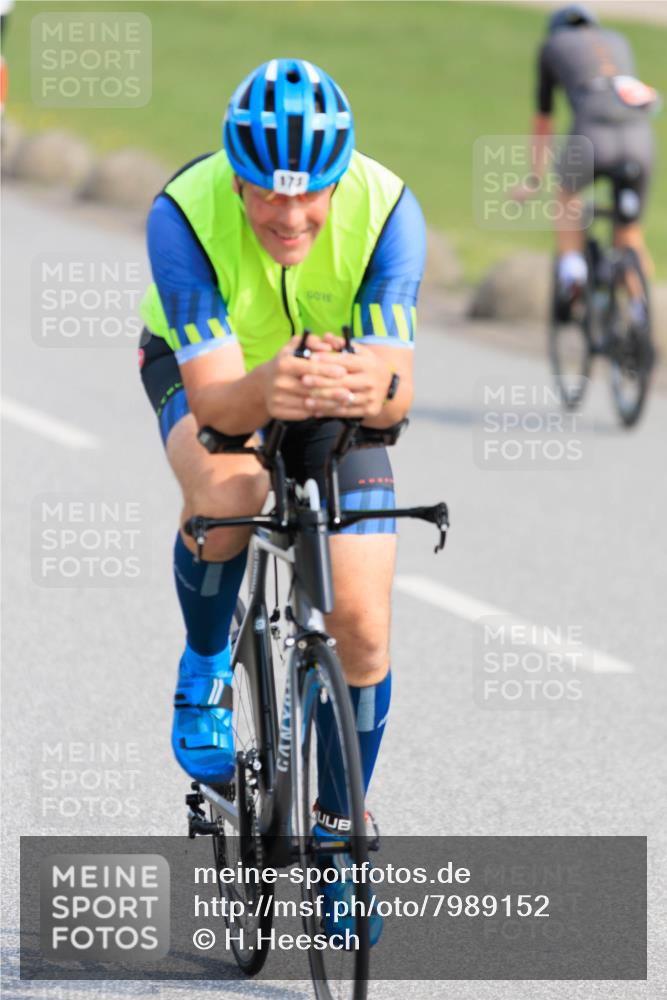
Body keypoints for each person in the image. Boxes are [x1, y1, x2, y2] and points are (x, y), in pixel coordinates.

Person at [139, 58, 425, 941]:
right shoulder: (184, 213)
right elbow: (222, 404)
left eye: (311, 196)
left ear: (340, 179)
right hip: (218, 377)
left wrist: (357, 387)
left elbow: (396, 393)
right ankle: (202, 670)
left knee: (363, 623)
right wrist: (272, 384)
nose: (289, 216)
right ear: (236, 172)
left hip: (332, 393)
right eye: (266, 193)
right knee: (229, 492)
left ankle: (341, 837)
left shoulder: (389, 211)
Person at [519, 4, 657, 323]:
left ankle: (573, 273)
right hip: (639, 138)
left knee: (567, 197)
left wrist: (533, 178)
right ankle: (641, 314)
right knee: (630, 232)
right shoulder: (619, 39)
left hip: (593, 132)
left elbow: (544, 121)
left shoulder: (552, 47)